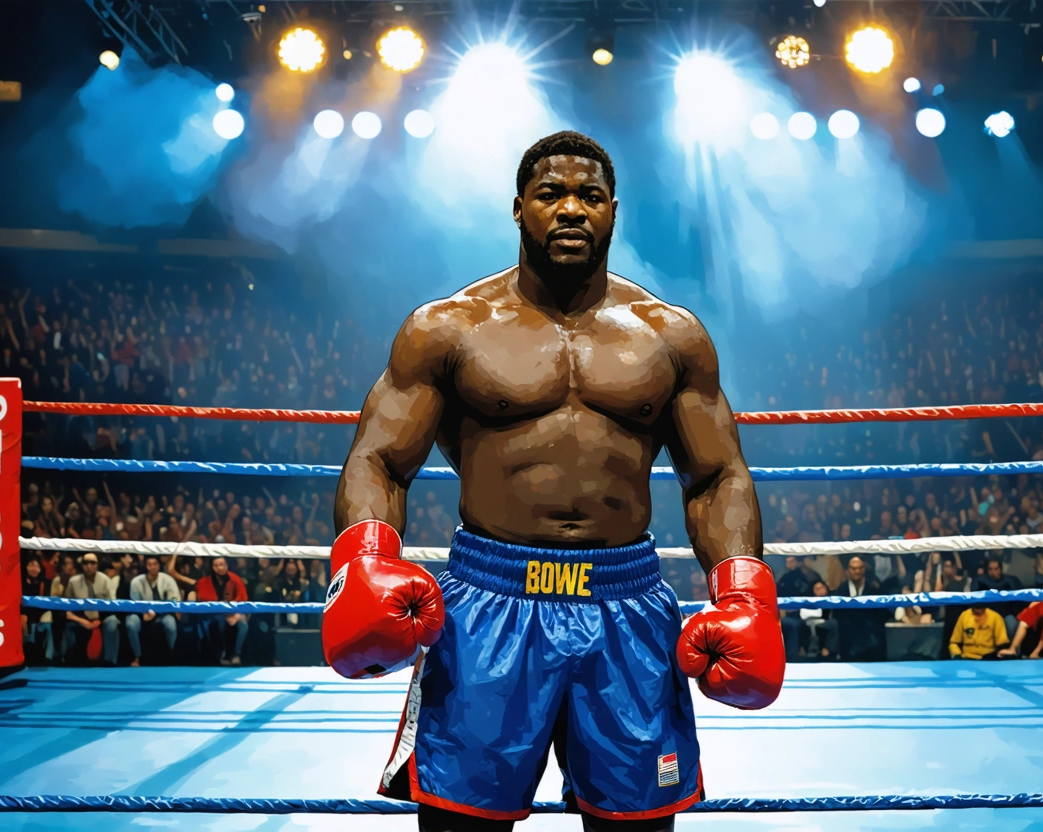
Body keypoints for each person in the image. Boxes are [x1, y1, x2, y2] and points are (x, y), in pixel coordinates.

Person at [324, 131, 785, 830]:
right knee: (461, 825)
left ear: (613, 211)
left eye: (589, 196)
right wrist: (365, 561)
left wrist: (744, 592)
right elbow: (379, 458)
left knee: (636, 826)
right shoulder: (447, 329)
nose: (571, 210)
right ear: (518, 209)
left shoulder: (670, 334)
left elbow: (717, 474)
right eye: (551, 194)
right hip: (490, 601)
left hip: (624, 602)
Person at [64, 553, 121, 665]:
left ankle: (109, 661)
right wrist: (83, 620)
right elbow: (67, 606)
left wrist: (99, 619)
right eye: (86, 563)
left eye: (92, 563)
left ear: (97, 565)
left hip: (102, 617)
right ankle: (70, 661)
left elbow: (112, 604)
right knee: (69, 626)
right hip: (81, 618)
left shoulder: (105, 580)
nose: (89, 566)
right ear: (82, 565)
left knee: (112, 622)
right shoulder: (73, 582)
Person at [125, 554, 181, 666]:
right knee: (131, 623)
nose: (153, 567)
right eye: (149, 564)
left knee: (171, 624)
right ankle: (137, 657)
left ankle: (171, 656)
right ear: (145, 566)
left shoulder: (168, 580)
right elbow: (134, 604)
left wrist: (160, 611)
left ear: (159, 565)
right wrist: (143, 615)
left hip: (163, 613)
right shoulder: (136, 582)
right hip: (142, 614)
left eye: (155, 564)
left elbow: (175, 601)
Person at [194, 556, 249, 665]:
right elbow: (205, 601)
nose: (220, 568)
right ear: (212, 567)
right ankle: (221, 654)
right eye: (216, 565)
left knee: (243, 625)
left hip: (233, 612)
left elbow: (243, 599)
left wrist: (236, 615)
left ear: (226, 565)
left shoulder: (235, 579)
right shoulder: (204, 582)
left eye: (222, 564)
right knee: (218, 623)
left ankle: (235, 653)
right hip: (213, 615)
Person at [832, 556, 888, 662]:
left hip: (871, 638)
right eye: (853, 568)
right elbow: (837, 614)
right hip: (849, 639)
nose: (857, 571)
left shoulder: (874, 588)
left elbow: (883, 614)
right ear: (848, 570)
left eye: (860, 568)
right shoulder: (842, 590)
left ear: (864, 569)